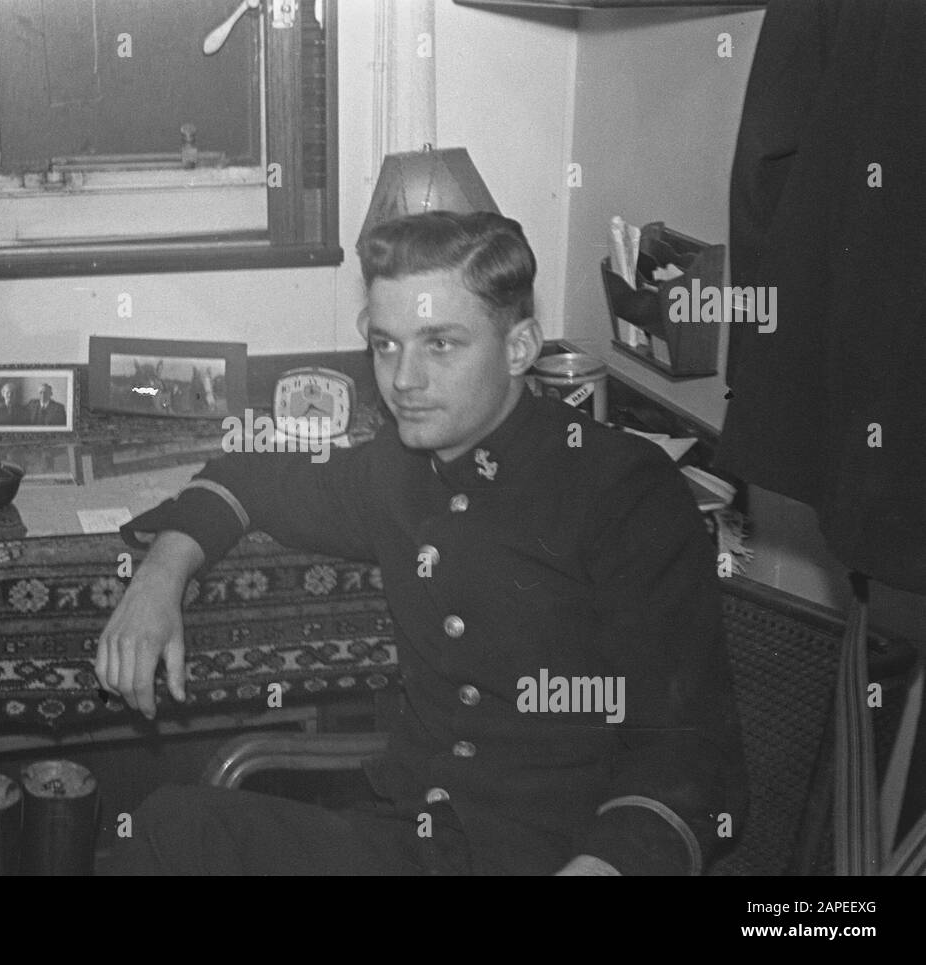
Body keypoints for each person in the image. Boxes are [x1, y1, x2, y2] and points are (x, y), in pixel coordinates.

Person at [96, 211, 747, 876]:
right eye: (385, 344)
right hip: (416, 839)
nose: (403, 379)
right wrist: (158, 578)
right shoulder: (399, 466)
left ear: (519, 348)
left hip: (567, 854)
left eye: (440, 344)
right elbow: (247, 475)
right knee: (169, 832)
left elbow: (689, 762)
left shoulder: (626, 493)